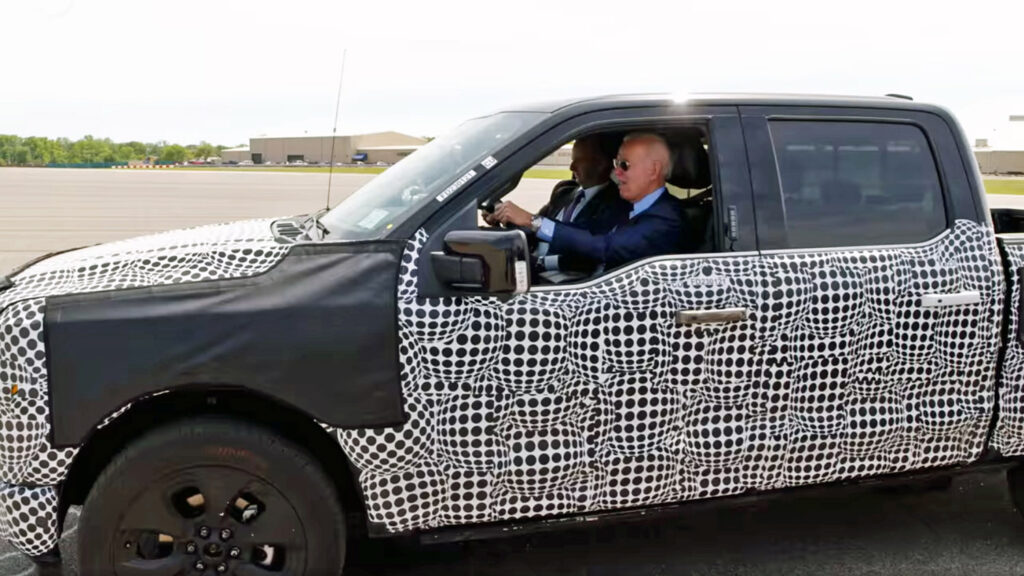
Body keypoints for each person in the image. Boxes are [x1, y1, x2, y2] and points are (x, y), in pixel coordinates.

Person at [494, 132, 690, 271]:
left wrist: (533, 221)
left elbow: (604, 248)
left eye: (625, 165)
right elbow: (581, 234)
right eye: (616, 163)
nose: (617, 173)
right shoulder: (632, 207)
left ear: (653, 170)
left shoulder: (666, 218)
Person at [488, 134, 630, 275]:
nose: (571, 167)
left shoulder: (616, 204)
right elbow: (533, 230)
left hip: (563, 280)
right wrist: (503, 215)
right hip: (532, 268)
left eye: (578, 161)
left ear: (601, 164)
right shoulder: (564, 191)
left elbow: (586, 250)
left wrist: (539, 263)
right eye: (572, 160)